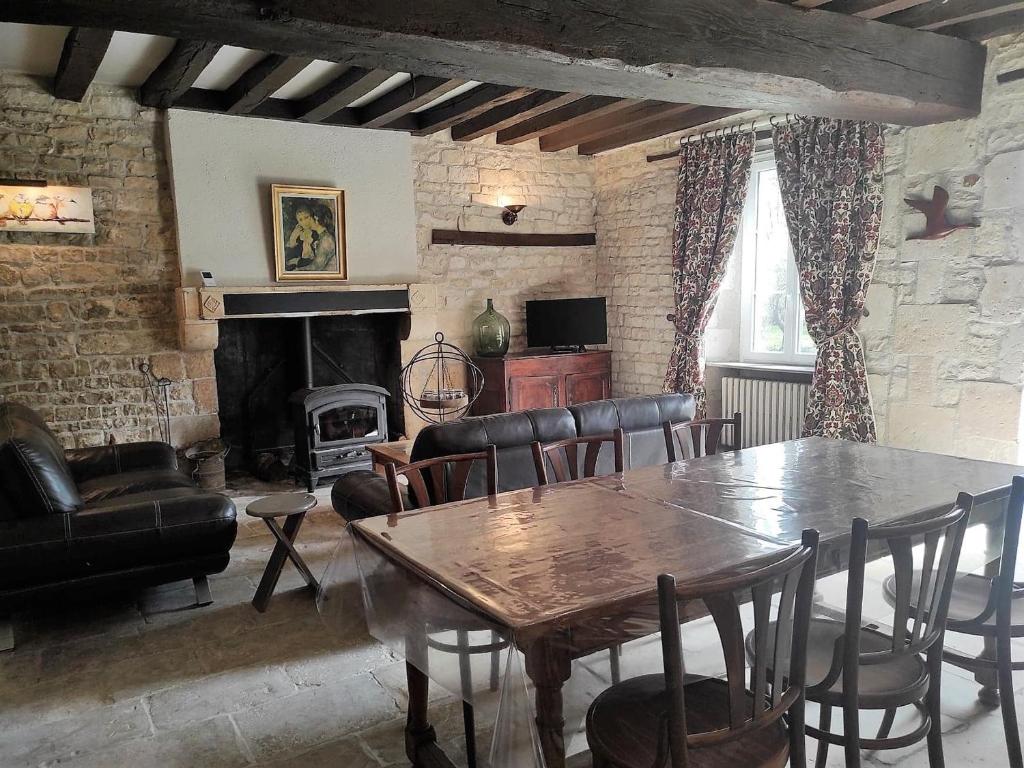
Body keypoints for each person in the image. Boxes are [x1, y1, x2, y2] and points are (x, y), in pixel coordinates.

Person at [285, 202, 337, 272]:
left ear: (316, 218)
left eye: (308, 217)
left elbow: (316, 267)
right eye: (301, 219)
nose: (306, 222)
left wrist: (295, 271)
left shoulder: (326, 239)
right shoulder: (321, 236)